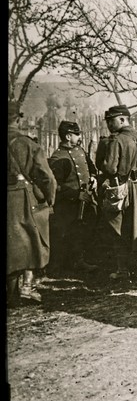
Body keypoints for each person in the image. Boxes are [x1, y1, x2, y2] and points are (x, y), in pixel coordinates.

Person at [7, 101, 57, 307]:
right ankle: (27, 286)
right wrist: (49, 199)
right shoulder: (27, 144)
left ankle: (12, 290)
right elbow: (47, 177)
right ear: (18, 119)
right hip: (22, 197)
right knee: (30, 239)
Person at [100, 104, 137, 280]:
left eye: (112, 121)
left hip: (125, 188)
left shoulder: (117, 140)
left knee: (120, 226)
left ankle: (125, 269)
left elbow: (110, 168)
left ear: (123, 119)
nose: (109, 125)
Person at [47, 120, 99, 276]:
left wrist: (94, 178)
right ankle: (63, 265)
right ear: (68, 136)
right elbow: (57, 186)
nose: (79, 137)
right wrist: (76, 195)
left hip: (85, 200)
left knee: (82, 232)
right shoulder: (57, 157)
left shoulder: (80, 151)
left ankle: (79, 261)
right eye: (77, 135)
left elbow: (91, 168)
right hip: (68, 204)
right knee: (67, 233)